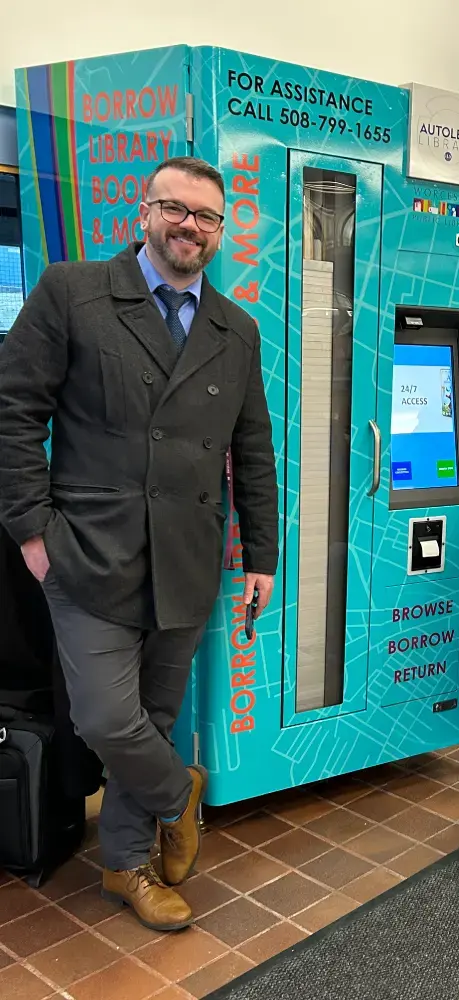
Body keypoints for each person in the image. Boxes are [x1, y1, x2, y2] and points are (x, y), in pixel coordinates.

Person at [0, 156, 279, 931]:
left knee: (152, 718)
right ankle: (177, 794)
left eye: (207, 216)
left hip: (188, 554)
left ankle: (127, 865)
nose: (190, 225)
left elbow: (252, 450)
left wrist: (262, 557)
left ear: (222, 232)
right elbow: (12, 411)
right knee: (102, 718)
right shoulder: (72, 292)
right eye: (175, 208)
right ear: (144, 212)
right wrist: (31, 532)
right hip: (84, 549)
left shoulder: (237, 328)